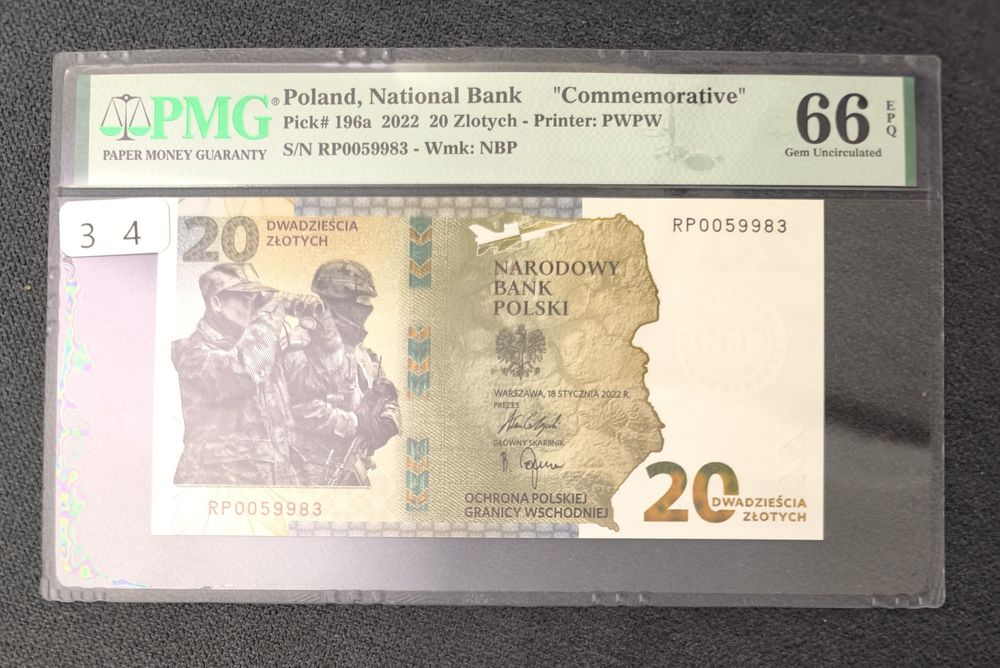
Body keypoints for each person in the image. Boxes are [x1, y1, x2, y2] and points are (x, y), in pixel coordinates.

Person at [172, 263, 302, 485]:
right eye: (246, 299)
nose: (255, 308)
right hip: (216, 488)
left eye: (258, 301)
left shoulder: (262, 350)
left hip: (268, 488)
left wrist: (323, 334)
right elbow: (243, 371)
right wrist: (272, 311)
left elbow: (319, 387)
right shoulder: (192, 354)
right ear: (216, 303)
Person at [284, 260, 400, 486]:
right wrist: (357, 423)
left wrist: (386, 424)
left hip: (353, 471)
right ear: (339, 304)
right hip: (306, 474)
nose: (366, 308)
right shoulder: (300, 347)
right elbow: (300, 409)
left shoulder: (366, 356)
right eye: (360, 302)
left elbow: (389, 396)